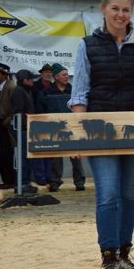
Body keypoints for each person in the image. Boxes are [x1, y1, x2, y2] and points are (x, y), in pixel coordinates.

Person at [69, 0, 134, 269]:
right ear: (103, 10)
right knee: (108, 194)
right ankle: (108, 258)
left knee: (129, 194)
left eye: (126, 10)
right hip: (100, 130)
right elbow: (80, 91)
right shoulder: (87, 45)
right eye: (116, 9)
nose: (121, 15)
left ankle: (124, 253)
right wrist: (78, 135)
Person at [39, 63, 86, 191]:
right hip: (54, 130)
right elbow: (41, 112)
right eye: (64, 75)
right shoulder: (46, 93)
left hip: (72, 129)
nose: (67, 77)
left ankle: (80, 182)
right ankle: (55, 183)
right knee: (55, 157)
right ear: (56, 77)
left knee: (76, 157)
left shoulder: (73, 91)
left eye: (67, 74)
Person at [9, 69, 39, 193]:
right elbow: (18, 113)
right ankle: (21, 184)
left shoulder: (26, 91)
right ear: (24, 80)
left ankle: (25, 183)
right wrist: (26, 123)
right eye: (31, 79)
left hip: (25, 128)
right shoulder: (19, 91)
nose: (33, 81)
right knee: (23, 158)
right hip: (21, 129)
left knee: (27, 158)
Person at [0, 62, 16, 189]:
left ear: (4, 75)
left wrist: (6, 121)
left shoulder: (11, 87)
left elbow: (14, 107)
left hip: (4, 124)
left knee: (6, 152)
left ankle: (11, 180)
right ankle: (5, 179)